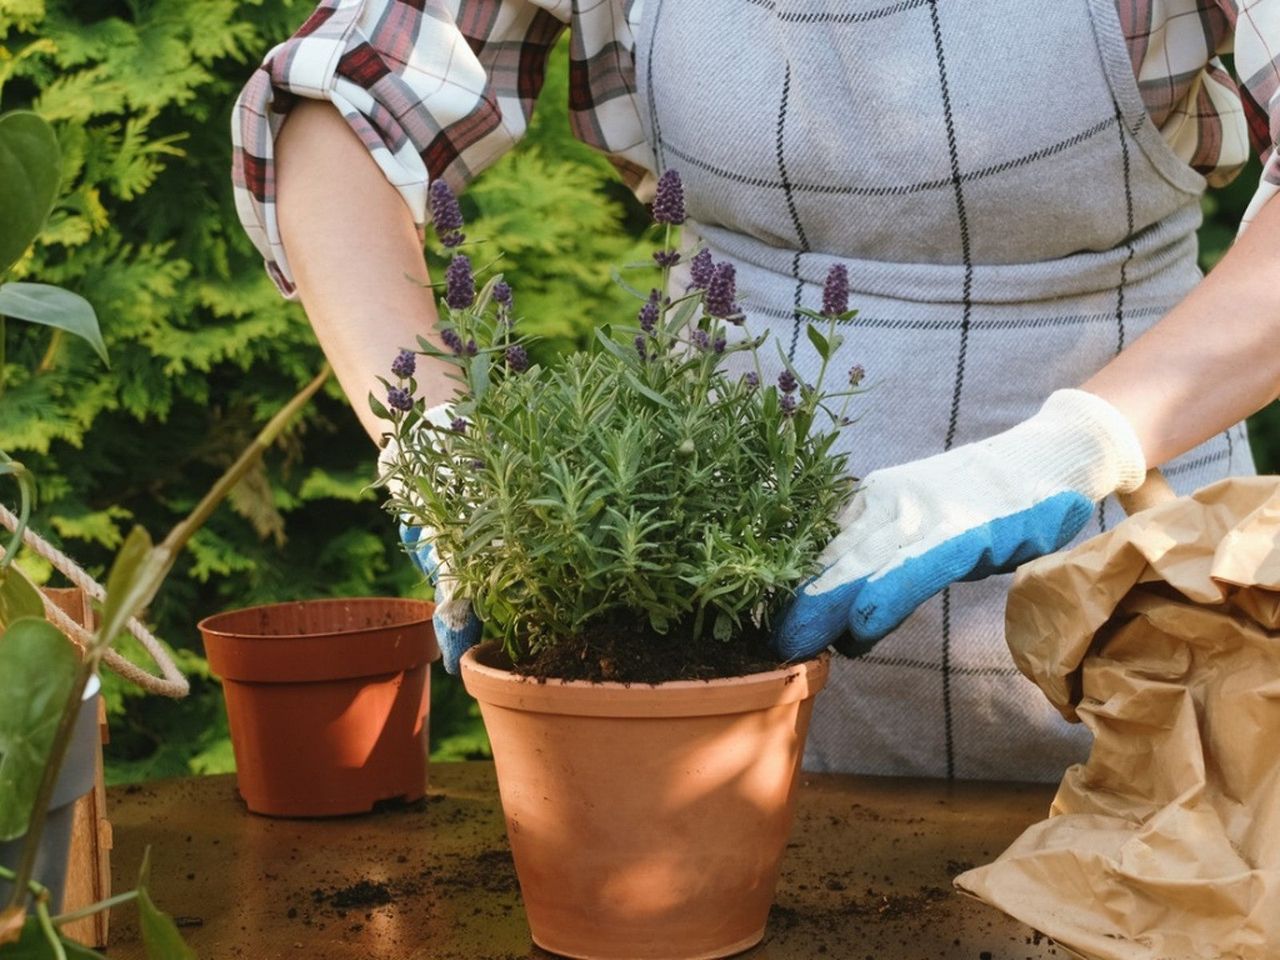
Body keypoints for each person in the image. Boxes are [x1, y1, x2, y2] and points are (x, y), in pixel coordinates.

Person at [231, 0, 1280, 781]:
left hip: (1132, 565)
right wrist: (440, 451)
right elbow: (345, 103)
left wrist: (1063, 452)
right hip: (725, 644)